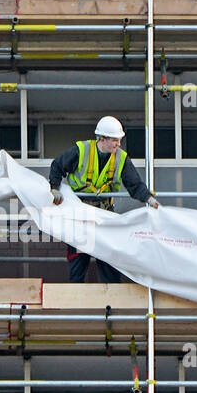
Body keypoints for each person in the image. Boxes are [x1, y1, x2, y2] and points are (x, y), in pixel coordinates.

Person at [48, 116, 159, 283]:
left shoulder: (121, 158)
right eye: (114, 140)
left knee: (108, 256)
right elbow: (57, 166)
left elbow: (134, 184)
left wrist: (149, 199)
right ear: (102, 139)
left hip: (103, 213)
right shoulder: (81, 150)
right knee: (79, 257)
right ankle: (75, 299)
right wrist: (54, 188)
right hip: (80, 215)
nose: (118, 144)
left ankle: (112, 300)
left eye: (119, 140)